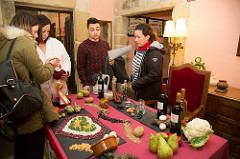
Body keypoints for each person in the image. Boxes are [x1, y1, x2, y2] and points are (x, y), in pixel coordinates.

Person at [0, 12, 59, 158]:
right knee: (33, 151)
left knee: (20, 151)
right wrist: (51, 66)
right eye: (34, 32)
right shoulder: (24, 42)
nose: (35, 36)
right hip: (28, 112)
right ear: (25, 28)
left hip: (12, 108)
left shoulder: (4, 44)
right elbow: (40, 76)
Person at [36, 14, 71, 105]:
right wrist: (48, 65)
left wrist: (66, 71)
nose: (46, 34)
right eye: (43, 31)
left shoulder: (56, 43)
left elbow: (66, 59)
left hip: (60, 91)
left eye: (48, 31)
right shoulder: (31, 48)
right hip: (43, 94)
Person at [129, 23, 165, 103]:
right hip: (139, 90)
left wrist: (135, 85)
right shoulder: (138, 50)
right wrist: (132, 81)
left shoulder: (155, 53)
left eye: (138, 37)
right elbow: (137, 69)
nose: (135, 40)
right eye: (135, 37)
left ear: (147, 37)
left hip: (149, 94)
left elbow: (153, 75)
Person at [77, 17, 110, 92]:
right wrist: (85, 84)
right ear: (88, 30)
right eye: (92, 30)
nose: (95, 32)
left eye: (97, 29)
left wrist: (112, 62)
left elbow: (108, 63)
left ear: (100, 29)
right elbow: (80, 67)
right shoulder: (83, 46)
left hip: (105, 83)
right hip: (90, 85)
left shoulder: (105, 45)